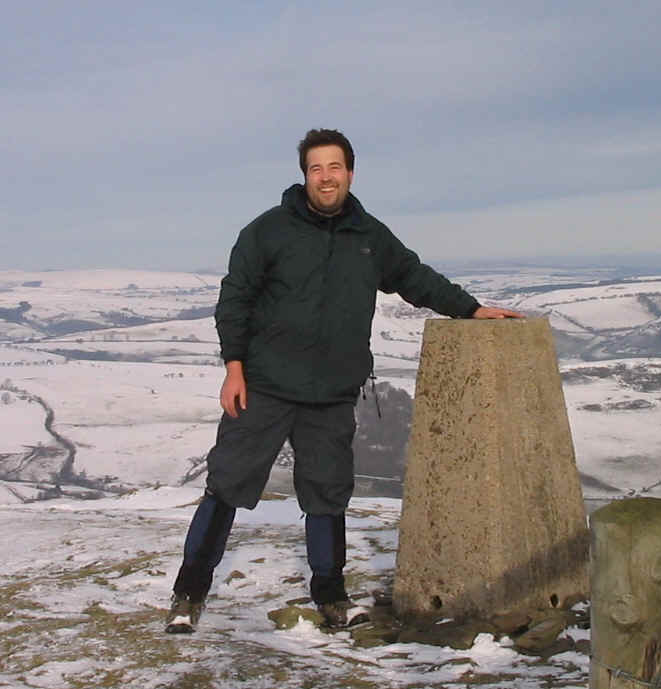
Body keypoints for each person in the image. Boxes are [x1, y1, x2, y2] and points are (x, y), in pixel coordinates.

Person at [165, 128, 522, 633]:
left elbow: (414, 277)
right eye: (316, 168)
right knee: (226, 488)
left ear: (350, 173)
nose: (326, 177)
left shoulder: (369, 236)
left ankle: (331, 598)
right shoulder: (267, 232)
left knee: (328, 497)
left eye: (334, 167)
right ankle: (188, 595)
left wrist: (470, 308)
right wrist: (234, 369)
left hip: (331, 393)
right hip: (264, 386)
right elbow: (235, 300)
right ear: (304, 175)